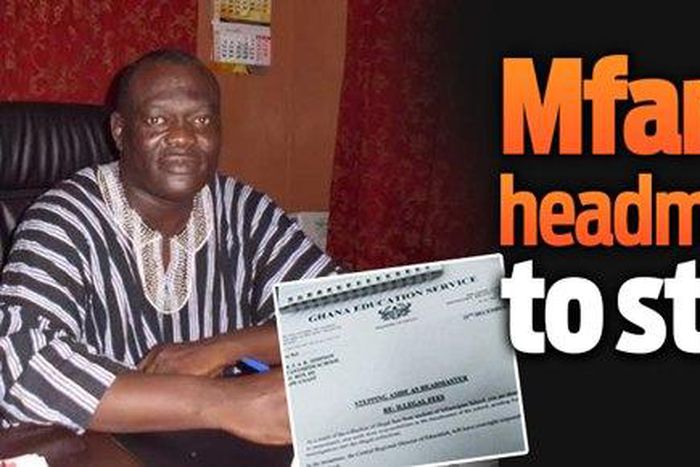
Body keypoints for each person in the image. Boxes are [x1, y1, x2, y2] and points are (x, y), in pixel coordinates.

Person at [0, 49, 339, 444]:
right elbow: (18, 365)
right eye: (157, 119)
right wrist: (225, 402)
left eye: (202, 120)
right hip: (107, 446)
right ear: (120, 132)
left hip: (223, 445)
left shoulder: (244, 210)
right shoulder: (64, 218)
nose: (182, 136)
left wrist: (223, 349)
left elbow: (341, 315)